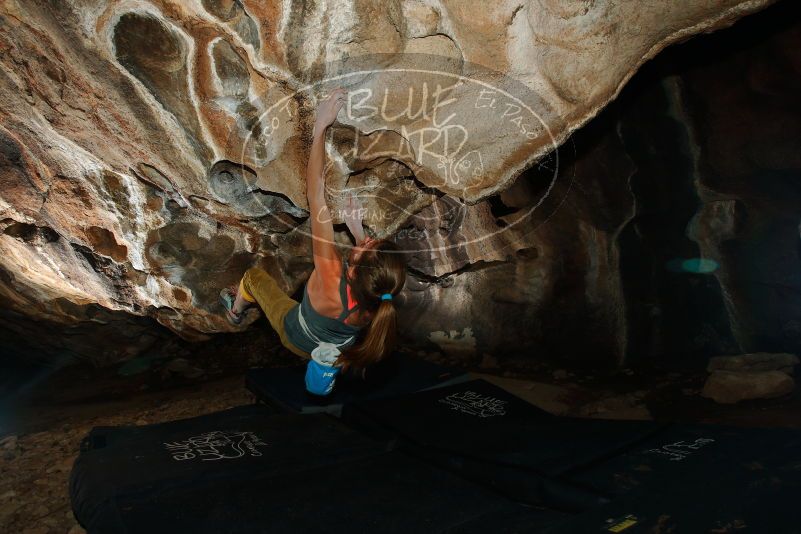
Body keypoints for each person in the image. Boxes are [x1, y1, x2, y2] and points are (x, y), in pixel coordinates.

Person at [220, 88, 407, 395]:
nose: (367, 239)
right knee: (327, 339)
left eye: (366, 245)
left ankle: (235, 311)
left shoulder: (331, 270)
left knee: (254, 278)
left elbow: (315, 194)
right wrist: (358, 235)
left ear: (354, 268)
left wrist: (321, 126)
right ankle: (324, 366)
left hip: (295, 336)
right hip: (335, 345)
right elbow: (368, 272)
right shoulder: (381, 297)